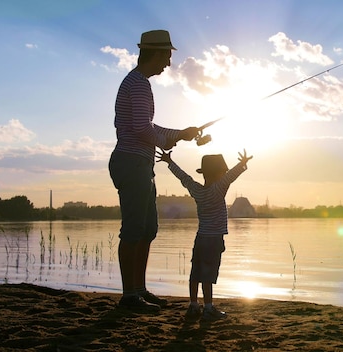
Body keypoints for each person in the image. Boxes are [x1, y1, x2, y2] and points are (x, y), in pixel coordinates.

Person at [109, 30, 199, 311]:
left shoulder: (139, 83)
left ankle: (138, 290)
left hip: (141, 164)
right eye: (168, 56)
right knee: (134, 230)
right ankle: (129, 297)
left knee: (147, 230)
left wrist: (180, 134)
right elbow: (141, 129)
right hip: (132, 163)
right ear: (156, 53)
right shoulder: (137, 84)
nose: (169, 64)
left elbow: (148, 128)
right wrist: (172, 137)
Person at [156, 148, 253, 320]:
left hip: (200, 238)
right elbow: (231, 176)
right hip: (214, 239)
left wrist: (170, 162)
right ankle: (208, 308)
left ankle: (193, 305)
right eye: (222, 173)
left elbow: (184, 178)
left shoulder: (197, 190)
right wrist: (242, 163)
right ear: (219, 174)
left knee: (196, 272)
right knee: (208, 274)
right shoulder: (218, 189)